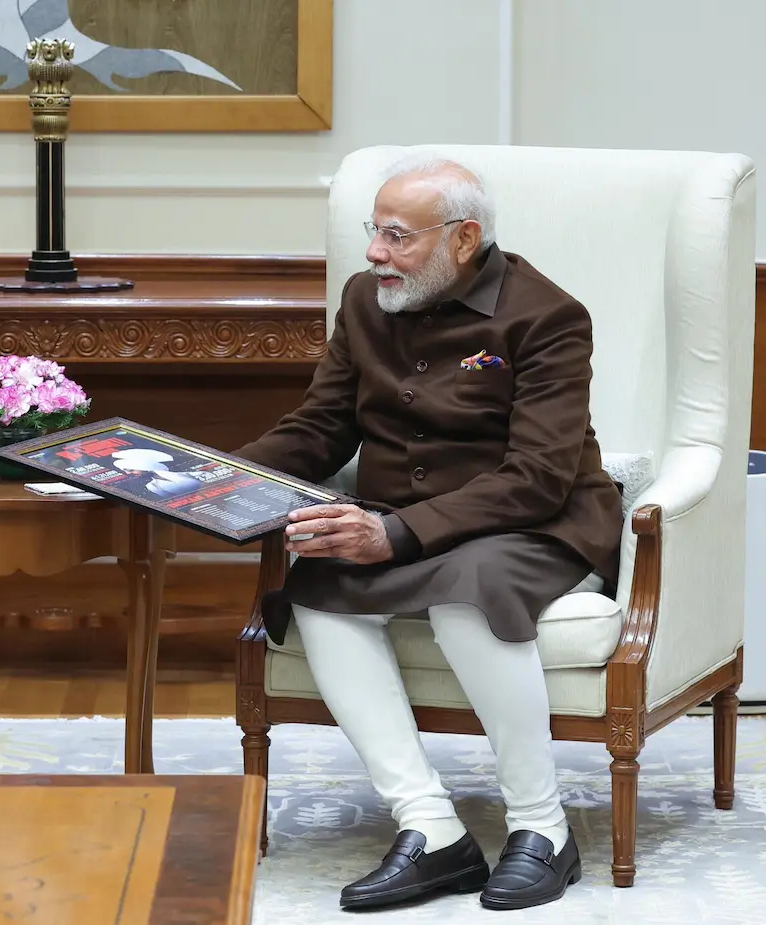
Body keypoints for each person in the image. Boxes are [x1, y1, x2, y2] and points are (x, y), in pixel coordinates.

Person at [234, 154, 623, 912]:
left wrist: (396, 534)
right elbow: (321, 426)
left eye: (396, 236)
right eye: (372, 233)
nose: (375, 253)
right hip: (407, 527)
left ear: (464, 237)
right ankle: (432, 829)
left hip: (535, 523)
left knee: (468, 590)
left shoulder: (548, 317)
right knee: (317, 584)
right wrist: (213, 478)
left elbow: (537, 476)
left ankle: (542, 829)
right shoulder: (364, 299)